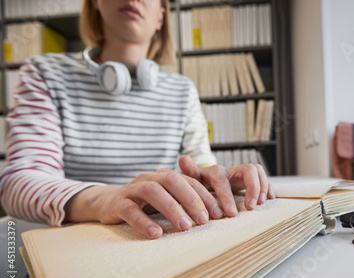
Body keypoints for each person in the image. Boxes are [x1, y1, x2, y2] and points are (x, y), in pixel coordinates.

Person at [0, 0, 274, 239]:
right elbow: (19, 184)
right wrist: (106, 200)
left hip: (160, 237)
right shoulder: (45, 74)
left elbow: (199, 168)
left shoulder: (182, 90)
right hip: (80, 243)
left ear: (161, 17)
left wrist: (217, 179)